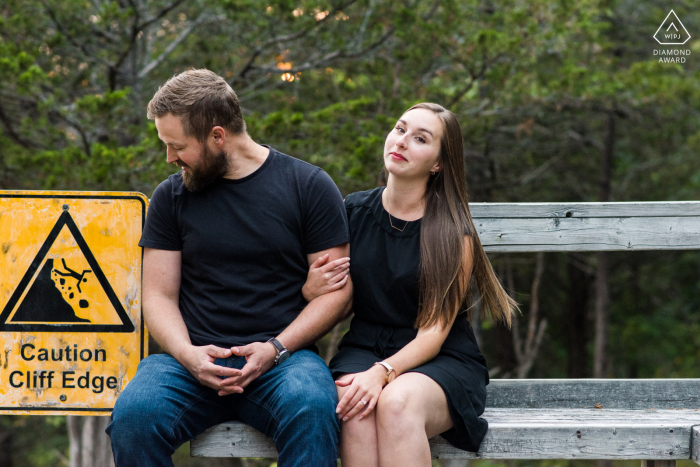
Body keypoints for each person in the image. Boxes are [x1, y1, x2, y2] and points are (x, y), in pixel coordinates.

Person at [106, 69, 352, 467]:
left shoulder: (308, 186)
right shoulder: (170, 197)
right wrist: (188, 355)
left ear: (217, 136)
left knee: (312, 409)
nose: (169, 158)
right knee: (135, 416)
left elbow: (338, 294)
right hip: (189, 364)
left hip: (282, 361)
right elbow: (157, 295)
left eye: (177, 145)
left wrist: (274, 350)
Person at [303, 103, 517, 466]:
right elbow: (335, 299)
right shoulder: (352, 212)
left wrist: (382, 373)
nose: (401, 142)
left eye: (420, 139)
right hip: (364, 346)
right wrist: (311, 289)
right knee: (355, 406)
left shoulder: (453, 233)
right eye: (400, 129)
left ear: (438, 164)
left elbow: (433, 334)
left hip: (439, 357)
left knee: (396, 403)